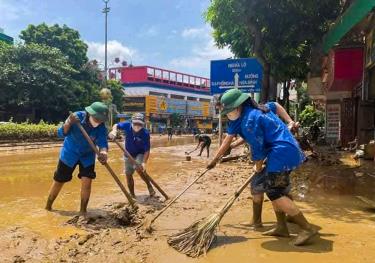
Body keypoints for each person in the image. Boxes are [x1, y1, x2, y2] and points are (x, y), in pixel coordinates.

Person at [207, 89, 317, 246]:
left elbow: (257, 149)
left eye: (229, 111)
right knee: (275, 189)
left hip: (281, 153)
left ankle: (306, 228)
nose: (228, 115)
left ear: (239, 106)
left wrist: (258, 166)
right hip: (283, 150)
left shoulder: (249, 120)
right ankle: (281, 227)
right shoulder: (255, 111)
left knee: (274, 193)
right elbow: (230, 141)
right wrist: (215, 159)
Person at [45, 102, 109, 216]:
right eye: (97, 119)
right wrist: (69, 123)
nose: (98, 122)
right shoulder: (76, 117)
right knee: (59, 181)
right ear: (90, 114)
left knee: (87, 182)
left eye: (101, 120)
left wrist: (104, 153)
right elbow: (61, 133)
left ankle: (83, 211)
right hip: (70, 153)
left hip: (87, 155)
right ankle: (48, 207)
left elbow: (103, 143)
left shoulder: (101, 127)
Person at [109, 113, 155, 198]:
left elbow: (147, 150)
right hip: (128, 153)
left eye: (139, 124)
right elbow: (116, 125)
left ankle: (149, 185)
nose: (137, 126)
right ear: (132, 122)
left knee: (138, 168)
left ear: (142, 124)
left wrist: (144, 163)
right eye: (135, 123)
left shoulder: (145, 133)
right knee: (128, 174)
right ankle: (132, 195)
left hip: (140, 153)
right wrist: (114, 131)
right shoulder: (127, 125)